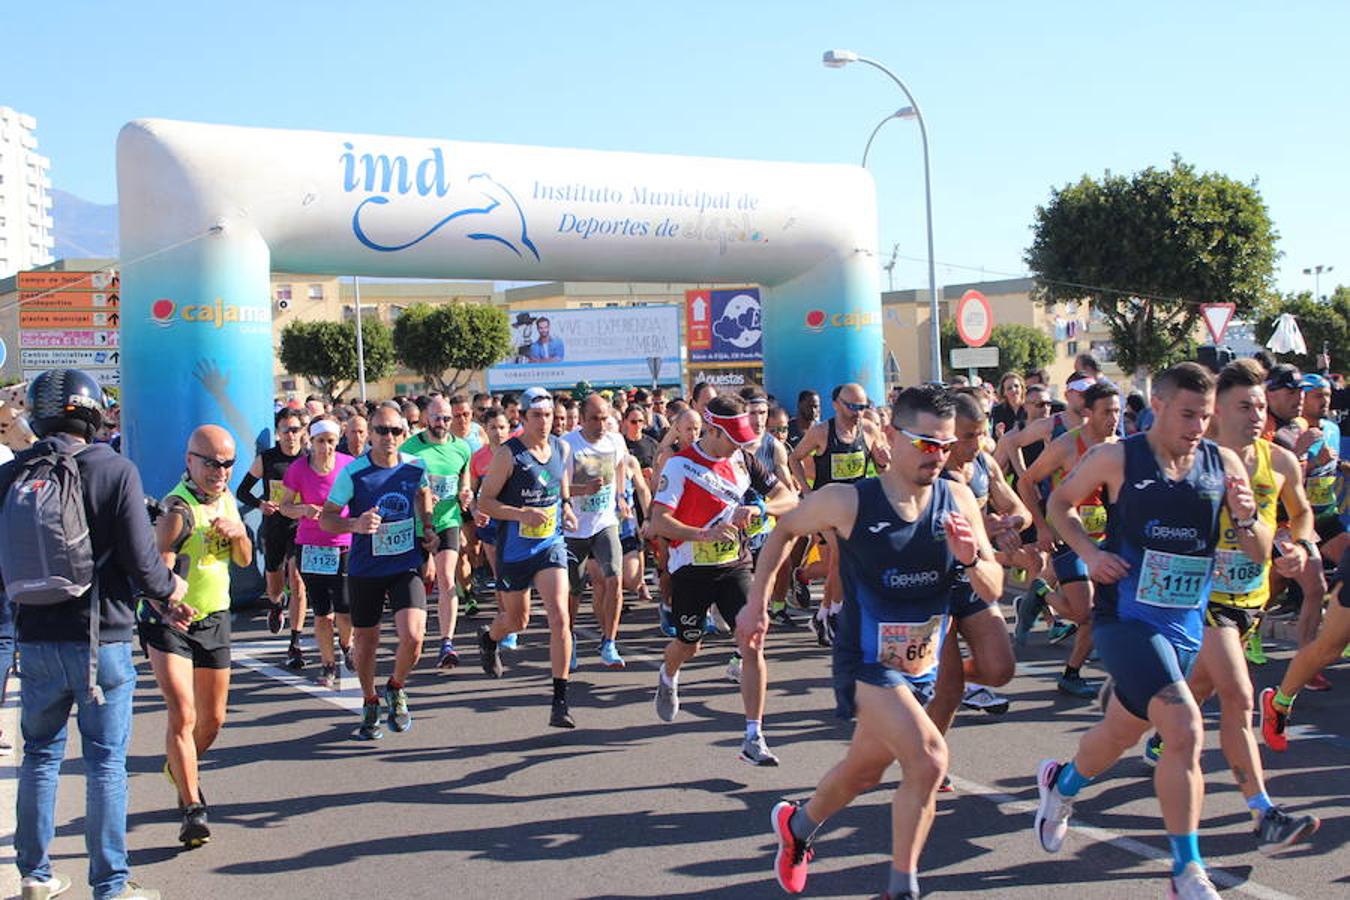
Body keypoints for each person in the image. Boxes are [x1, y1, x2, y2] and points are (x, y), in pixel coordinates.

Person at [747, 384, 1001, 899]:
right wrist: (756, 605)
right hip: (865, 660)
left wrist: (973, 556)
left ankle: (797, 828)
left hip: (920, 665)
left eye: (946, 446)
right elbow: (783, 531)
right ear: (890, 436)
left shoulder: (955, 498)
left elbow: (993, 585)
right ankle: (901, 889)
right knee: (929, 759)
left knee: (863, 772)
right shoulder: (849, 499)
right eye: (927, 443)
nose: (939, 455)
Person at [1033, 363, 1263, 899]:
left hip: (1183, 624)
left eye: (1205, 416)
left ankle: (1061, 785)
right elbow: (1058, 504)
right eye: (1187, 414)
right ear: (1157, 405)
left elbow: (1257, 551)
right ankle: (1187, 871)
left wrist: (1250, 520)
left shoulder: (1222, 464)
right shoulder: (1117, 457)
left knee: (1120, 733)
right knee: (1183, 727)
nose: (1197, 426)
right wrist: (1089, 554)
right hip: (1125, 620)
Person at [3, 369, 185, 900]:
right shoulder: (114, 470)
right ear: (92, 411)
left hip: (34, 636)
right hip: (100, 641)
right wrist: (171, 592)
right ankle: (109, 883)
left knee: (39, 755)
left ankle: (35, 876)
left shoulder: (13, 474)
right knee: (106, 762)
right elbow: (143, 562)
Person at [1140, 359, 1319, 851]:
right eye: (1245, 405)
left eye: (1261, 405)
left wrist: (1297, 547)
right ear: (1216, 409)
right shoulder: (1194, 460)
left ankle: (1093, 761)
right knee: (1239, 697)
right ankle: (1263, 813)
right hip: (1200, 599)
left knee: (1188, 690)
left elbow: (1300, 512)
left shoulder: (1278, 460)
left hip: (1249, 599)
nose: (1257, 414)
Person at [648, 395, 797, 765]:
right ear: (713, 430)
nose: (741, 444)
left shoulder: (744, 460)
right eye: (733, 437)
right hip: (691, 566)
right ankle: (667, 676)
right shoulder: (680, 466)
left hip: (735, 564)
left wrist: (763, 507)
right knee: (689, 644)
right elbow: (659, 522)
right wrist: (702, 535)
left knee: (752, 643)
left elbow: (788, 498)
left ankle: (753, 735)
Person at [144, 424, 252, 848]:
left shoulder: (226, 500)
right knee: (183, 715)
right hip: (170, 622)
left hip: (214, 619)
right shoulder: (177, 508)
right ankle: (192, 808)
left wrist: (240, 533)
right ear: (190, 461)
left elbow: (244, 560)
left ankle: (180, 765)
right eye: (211, 463)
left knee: (214, 719)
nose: (220, 471)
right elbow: (155, 574)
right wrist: (169, 606)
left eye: (227, 463)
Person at [320, 404, 437, 740]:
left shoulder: (415, 467)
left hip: (404, 565)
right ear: (369, 434)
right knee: (367, 644)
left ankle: (395, 688)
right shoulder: (354, 473)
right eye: (381, 431)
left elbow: (423, 494)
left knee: (414, 638)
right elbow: (327, 518)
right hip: (366, 570)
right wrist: (354, 523)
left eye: (396, 431)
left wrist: (427, 527)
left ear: (405, 433)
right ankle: (370, 699)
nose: (389, 437)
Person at [477, 387, 580, 728]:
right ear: (521, 418)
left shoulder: (561, 449)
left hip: (550, 545)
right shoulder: (509, 455)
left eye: (549, 415)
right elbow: (485, 503)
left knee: (559, 619)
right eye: (536, 415)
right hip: (515, 550)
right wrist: (521, 514)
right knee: (516, 621)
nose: (544, 421)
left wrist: (566, 509)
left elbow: (559, 490)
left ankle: (560, 700)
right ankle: (489, 639)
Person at [927, 391, 1024, 753]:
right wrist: (987, 527)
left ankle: (933, 678)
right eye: (967, 435)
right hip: (936, 586)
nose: (976, 443)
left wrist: (1011, 523)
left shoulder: (985, 463)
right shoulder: (930, 471)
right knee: (948, 691)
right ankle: (928, 759)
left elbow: (1019, 507)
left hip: (975, 579)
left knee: (1000, 670)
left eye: (981, 434)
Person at [1016, 382, 1122, 698]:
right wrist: (1042, 527)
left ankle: (1071, 674)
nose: (1113, 419)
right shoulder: (1066, 445)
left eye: (1117, 411)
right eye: (1106, 412)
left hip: (1106, 539)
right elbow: (1026, 481)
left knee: (1100, 613)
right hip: (1069, 537)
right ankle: (1043, 591)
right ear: (1088, 413)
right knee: (1083, 614)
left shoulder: (1119, 446)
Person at [788, 383, 889, 644]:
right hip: (826, 506)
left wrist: (882, 461)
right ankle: (833, 614)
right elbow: (794, 458)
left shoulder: (869, 430)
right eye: (851, 406)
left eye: (862, 406)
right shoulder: (821, 432)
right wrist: (807, 492)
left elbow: (882, 468)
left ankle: (823, 615)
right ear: (836, 404)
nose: (856, 412)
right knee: (841, 556)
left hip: (855, 507)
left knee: (840, 562)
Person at [280, 418, 355, 688]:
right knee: (322, 612)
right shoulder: (298, 469)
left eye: (331, 441)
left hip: (343, 542)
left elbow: (360, 498)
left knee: (345, 610)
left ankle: (347, 645)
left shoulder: (348, 465)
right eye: (320, 441)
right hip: (311, 547)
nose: (326, 447)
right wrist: (303, 509)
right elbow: (284, 506)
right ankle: (328, 664)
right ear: (311, 443)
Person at [401, 396, 473, 670]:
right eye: (437, 418)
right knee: (423, 579)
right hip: (417, 524)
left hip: (448, 520)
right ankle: (415, 632)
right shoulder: (411, 448)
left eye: (447, 418)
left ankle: (447, 643)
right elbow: (401, 484)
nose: (442, 423)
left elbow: (464, 481)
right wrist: (419, 499)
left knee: (446, 577)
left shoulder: (462, 448)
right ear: (425, 418)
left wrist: (465, 495)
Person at [563, 394, 630, 668]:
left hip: (605, 522)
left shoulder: (616, 441)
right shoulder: (568, 445)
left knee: (614, 577)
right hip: (574, 528)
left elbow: (622, 465)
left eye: (604, 418)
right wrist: (583, 490)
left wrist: (622, 495)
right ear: (581, 419)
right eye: (594, 419)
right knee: (574, 589)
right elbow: (559, 488)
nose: (600, 424)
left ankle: (609, 642)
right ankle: (569, 639)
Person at [236, 408, 308, 663]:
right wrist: (260, 505)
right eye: (286, 430)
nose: (291, 435)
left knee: (298, 580)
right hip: (275, 527)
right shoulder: (267, 459)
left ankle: (295, 642)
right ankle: (277, 604)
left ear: (303, 431)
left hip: (301, 529)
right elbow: (242, 491)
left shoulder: (309, 459)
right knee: (275, 584)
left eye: (295, 429)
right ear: (278, 433)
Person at [990, 372, 1025, 437]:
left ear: (1022, 388)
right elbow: (995, 437)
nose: (1013, 390)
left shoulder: (1030, 407)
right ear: (1004, 392)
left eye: (1016, 386)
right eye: (1009, 388)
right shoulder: (998, 410)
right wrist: (999, 434)